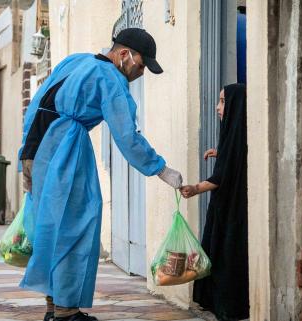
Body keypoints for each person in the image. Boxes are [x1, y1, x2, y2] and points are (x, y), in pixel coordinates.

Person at [17, 28, 183, 321]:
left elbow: (37, 103)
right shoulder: (110, 80)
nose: (141, 73)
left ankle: (53, 308)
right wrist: (160, 169)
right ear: (124, 55)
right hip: (65, 149)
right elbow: (127, 136)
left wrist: (26, 154)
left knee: (52, 228)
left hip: (40, 149)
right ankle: (68, 313)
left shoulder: (75, 61)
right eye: (141, 65)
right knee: (77, 225)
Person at [180, 84, 249, 321]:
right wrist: (221, 153)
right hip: (232, 205)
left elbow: (222, 176)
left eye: (222, 102)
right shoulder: (240, 133)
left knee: (225, 254)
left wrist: (195, 188)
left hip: (231, 208)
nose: (218, 108)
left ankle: (228, 307)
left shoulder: (237, 134)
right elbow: (234, 157)